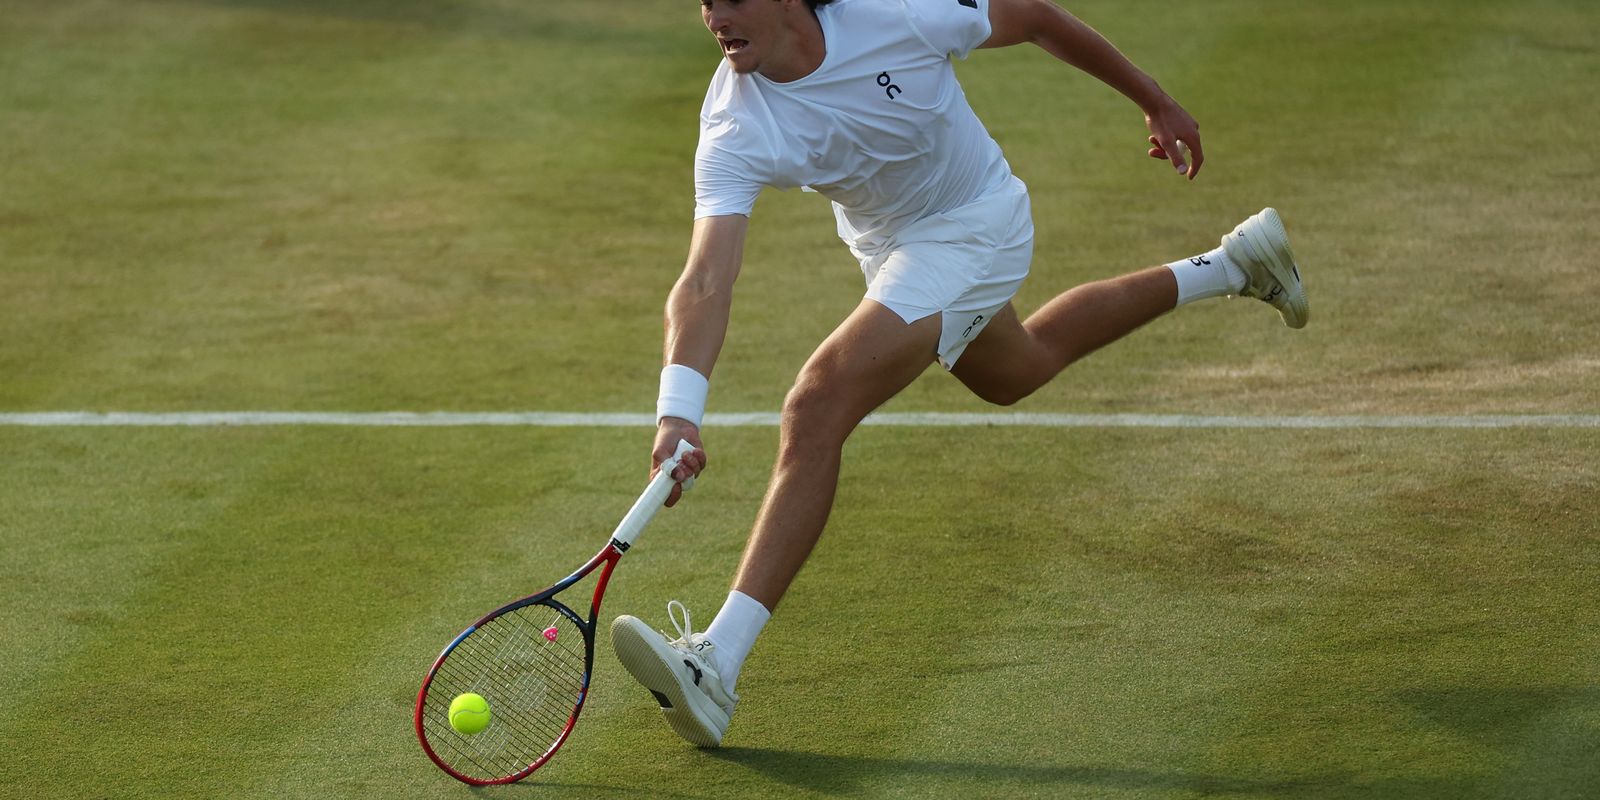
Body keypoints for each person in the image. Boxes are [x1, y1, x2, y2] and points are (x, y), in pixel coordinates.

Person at [610, 0, 1308, 747]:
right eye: (705, 1)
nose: (715, 16)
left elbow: (1037, 17)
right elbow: (706, 281)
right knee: (1017, 369)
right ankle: (1234, 264)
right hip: (891, 251)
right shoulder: (735, 123)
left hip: (980, 219)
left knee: (817, 403)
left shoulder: (902, 13)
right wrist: (676, 410)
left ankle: (716, 663)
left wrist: (1157, 102)